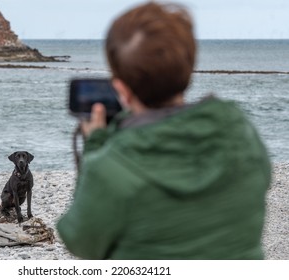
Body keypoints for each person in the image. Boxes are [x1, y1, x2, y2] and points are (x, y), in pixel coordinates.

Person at [57, 1, 271, 259]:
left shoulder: (112, 167)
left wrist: (95, 144)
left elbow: (80, 241)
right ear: (188, 70)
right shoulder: (241, 132)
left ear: (122, 90)